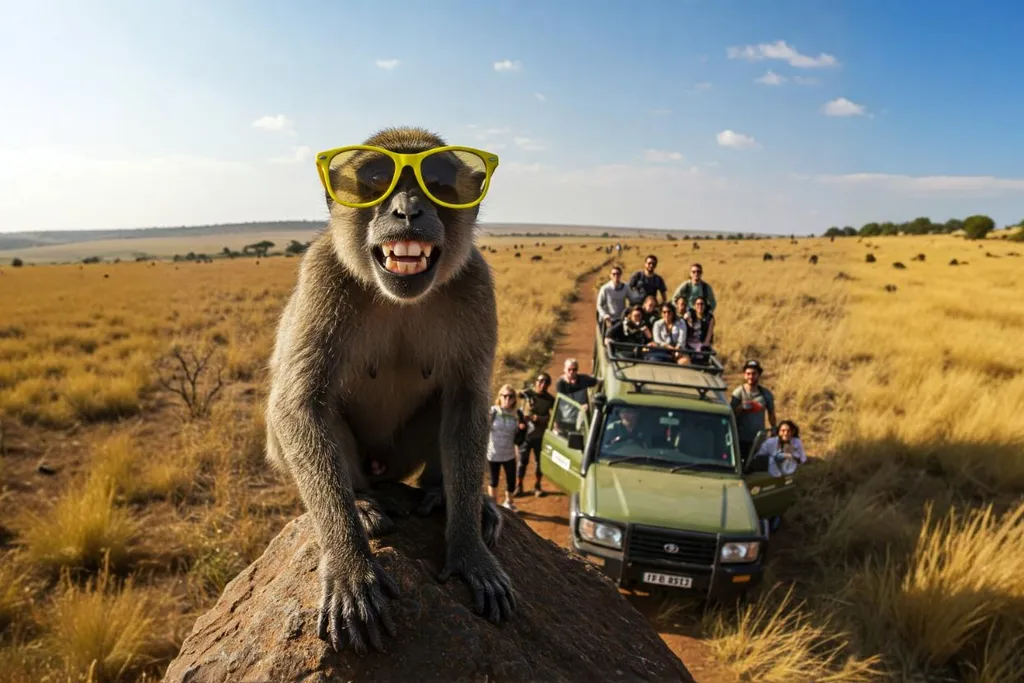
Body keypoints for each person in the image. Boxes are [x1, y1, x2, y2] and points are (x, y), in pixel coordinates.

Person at [753, 420, 806, 531]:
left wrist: (792, 455)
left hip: (788, 474)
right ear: (778, 432)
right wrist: (773, 458)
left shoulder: (797, 442)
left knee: (784, 497)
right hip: (771, 474)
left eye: (788, 431)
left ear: (792, 432)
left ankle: (778, 517)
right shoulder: (770, 443)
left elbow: (803, 459)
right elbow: (758, 457)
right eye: (783, 431)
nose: (785, 433)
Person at [516, 372, 555, 497]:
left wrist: (541, 419)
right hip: (525, 435)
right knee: (522, 461)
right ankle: (519, 486)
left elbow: (554, 417)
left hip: (540, 435)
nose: (542, 384)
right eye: (540, 381)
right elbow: (516, 394)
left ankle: (537, 486)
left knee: (539, 462)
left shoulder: (550, 399)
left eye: (546, 382)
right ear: (535, 382)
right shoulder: (528, 393)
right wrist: (523, 393)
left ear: (548, 385)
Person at [730, 360, 777, 461]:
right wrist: (741, 407)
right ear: (744, 375)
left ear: (759, 375)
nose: (751, 376)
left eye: (754, 373)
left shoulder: (766, 394)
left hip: (758, 439)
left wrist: (774, 429)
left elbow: (771, 414)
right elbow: (731, 414)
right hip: (740, 437)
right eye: (748, 374)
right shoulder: (738, 393)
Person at [486, 384, 524, 511]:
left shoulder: (517, 414)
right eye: (505, 396)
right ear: (500, 397)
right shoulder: (493, 411)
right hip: (493, 453)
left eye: (511, 396)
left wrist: (522, 428)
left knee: (511, 481)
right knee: (493, 481)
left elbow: (520, 434)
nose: (507, 399)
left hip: (509, 454)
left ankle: (509, 502)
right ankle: (494, 506)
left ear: (514, 399)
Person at [682, 296, 715, 364]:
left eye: (702, 304)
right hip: (688, 343)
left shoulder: (709, 318)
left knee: (702, 358)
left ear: (705, 306)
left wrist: (703, 347)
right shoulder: (690, 314)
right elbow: (683, 324)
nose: (700, 306)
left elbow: (709, 335)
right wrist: (688, 320)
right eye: (698, 304)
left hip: (701, 344)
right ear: (694, 305)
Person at [596, 265, 629, 333]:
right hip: (608, 320)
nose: (616, 276)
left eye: (618, 274)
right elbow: (599, 305)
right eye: (614, 274)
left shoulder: (625, 287)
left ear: (621, 275)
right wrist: (605, 316)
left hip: (621, 319)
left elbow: (632, 298)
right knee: (607, 337)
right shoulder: (605, 288)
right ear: (610, 275)